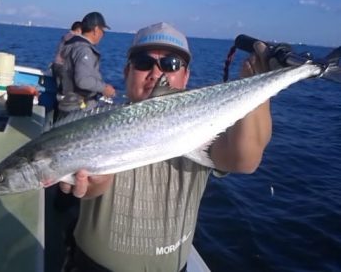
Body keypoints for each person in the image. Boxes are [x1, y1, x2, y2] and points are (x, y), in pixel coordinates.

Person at [59, 22, 273, 272]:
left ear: (186, 76)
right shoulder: (94, 125)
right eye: (143, 62)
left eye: (171, 64)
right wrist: (93, 183)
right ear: (127, 72)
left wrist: (259, 80)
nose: (156, 73)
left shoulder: (203, 127)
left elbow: (245, 159)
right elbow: (94, 186)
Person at [57, 12, 116, 116]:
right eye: (103, 31)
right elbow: (83, 81)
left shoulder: (71, 45)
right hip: (78, 108)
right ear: (96, 30)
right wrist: (104, 88)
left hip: (67, 103)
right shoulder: (84, 50)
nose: (103, 35)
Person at [51, 21, 82, 96]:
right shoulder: (74, 38)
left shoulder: (66, 36)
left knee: (59, 90)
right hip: (63, 67)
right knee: (66, 94)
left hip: (56, 65)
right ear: (78, 30)